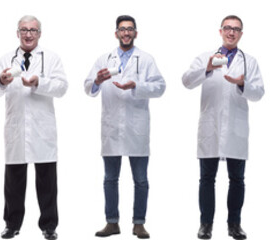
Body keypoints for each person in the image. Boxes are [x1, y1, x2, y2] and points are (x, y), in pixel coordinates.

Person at [181, 15, 262, 240]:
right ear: (220, 31)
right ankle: (205, 224)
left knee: (237, 179)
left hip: (236, 129)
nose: (231, 32)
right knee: (207, 178)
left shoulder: (250, 61)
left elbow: (259, 93)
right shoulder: (205, 57)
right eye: (228, 28)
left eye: (236, 29)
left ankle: (234, 225)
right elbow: (187, 81)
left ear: (241, 34)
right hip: (211, 128)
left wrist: (243, 83)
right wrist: (206, 69)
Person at [83, 15, 164, 240]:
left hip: (136, 127)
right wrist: (97, 81)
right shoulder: (103, 59)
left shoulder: (145, 59)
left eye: (130, 29)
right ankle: (112, 223)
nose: (126, 33)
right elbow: (88, 87)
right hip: (111, 129)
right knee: (110, 179)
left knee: (140, 180)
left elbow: (160, 87)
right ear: (116, 33)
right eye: (122, 29)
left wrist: (136, 85)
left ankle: (139, 224)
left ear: (136, 33)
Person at [0, 15, 66, 240]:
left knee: (47, 182)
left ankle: (49, 226)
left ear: (39, 34)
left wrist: (38, 82)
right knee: (13, 182)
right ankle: (12, 225)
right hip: (16, 129)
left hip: (43, 131)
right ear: (17, 33)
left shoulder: (51, 58)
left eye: (33, 30)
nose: (28, 34)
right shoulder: (6, 59)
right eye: (24, 30)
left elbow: (62, 87)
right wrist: (1, 81)